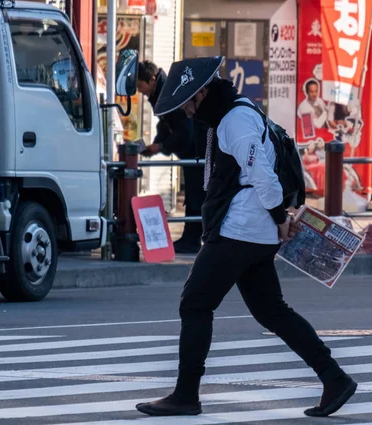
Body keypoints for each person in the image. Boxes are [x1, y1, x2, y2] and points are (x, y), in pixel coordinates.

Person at [135, 56, 357, 418]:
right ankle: (334, 377)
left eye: (188, 103)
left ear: (203, 92)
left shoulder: (235, 120)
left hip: (242, 228)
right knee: (272, 311)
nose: (187, 113)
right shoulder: (233, 113)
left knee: (195, 304)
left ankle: (186, 394)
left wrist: (279, 217)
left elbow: (263, 175)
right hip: (252, 229)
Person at [137, 60, 208, 253]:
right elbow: (167, 125)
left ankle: (192, 239)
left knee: (195, 193)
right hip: (192, 148)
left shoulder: (168, 92)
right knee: (194, 193)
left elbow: (183, 129)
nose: (139, 91)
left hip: (196, 149)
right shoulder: (161, 91)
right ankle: (191, 237)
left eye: (140, 85)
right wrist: (157, 145)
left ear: (151, 80)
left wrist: (160, 145)